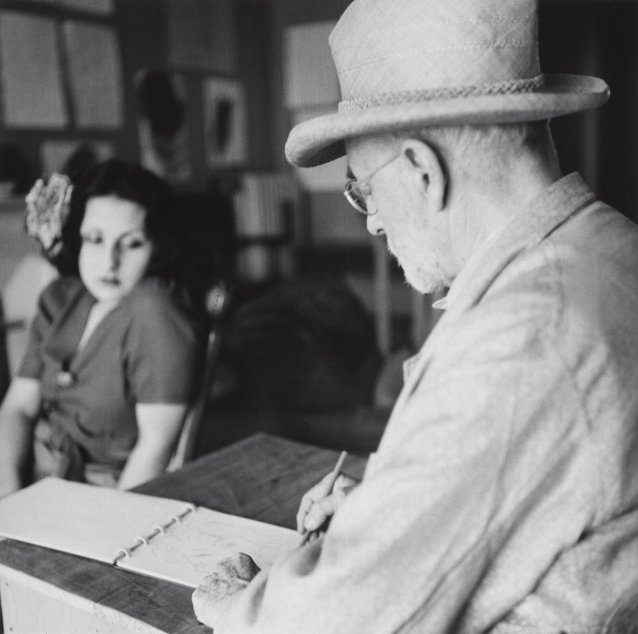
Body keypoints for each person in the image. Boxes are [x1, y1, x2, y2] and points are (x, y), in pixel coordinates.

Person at [191, 0, 638, 632]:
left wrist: (244, 607)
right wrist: (389, 504)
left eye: (363, 191)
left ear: (423, 171)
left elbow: (342, 620)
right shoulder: (611, 246)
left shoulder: (523, 334)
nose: (371, 220)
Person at [0, 159, 206, 496]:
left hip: (107, 496)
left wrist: (110, 535)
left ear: (158, 247)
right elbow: (17, 408)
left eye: (132, 243)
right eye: (94, 239)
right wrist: (7, 502)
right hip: (31, 479)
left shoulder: (156, 312)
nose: (109, 261)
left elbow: (155, 447)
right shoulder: (59, 298)